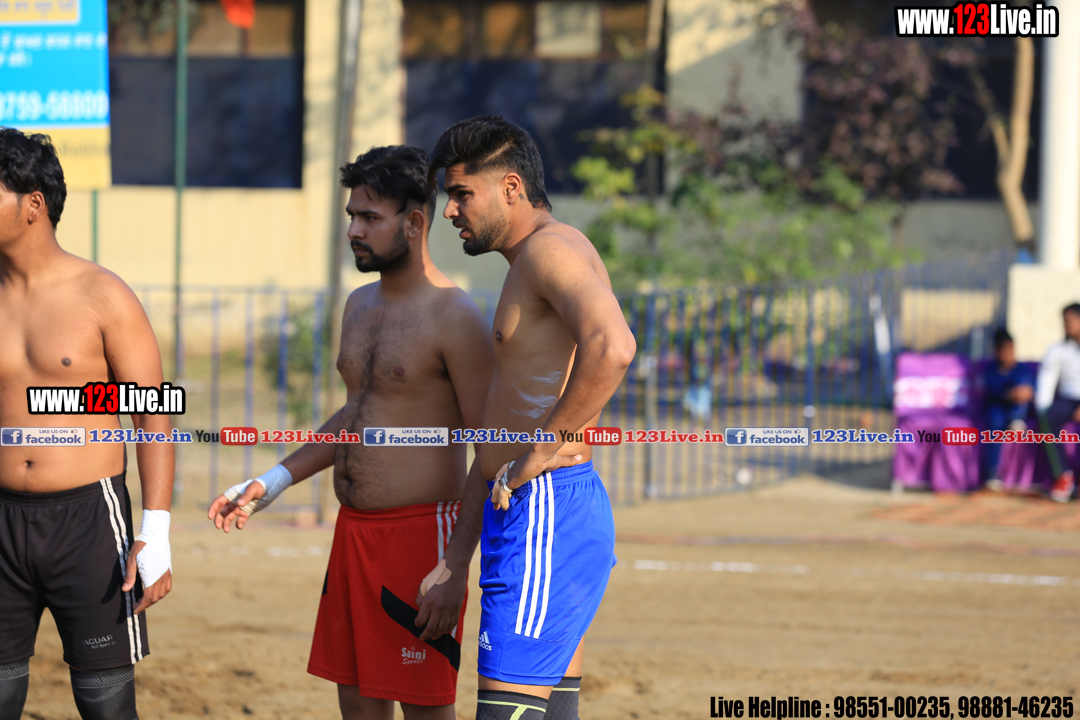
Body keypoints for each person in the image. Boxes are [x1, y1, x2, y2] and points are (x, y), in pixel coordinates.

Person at [208, 145, 494, 720]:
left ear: (414, 223)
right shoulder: (359, 304)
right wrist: (274, 480)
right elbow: (359, 415)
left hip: (422, 542)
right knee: (358, 710)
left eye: (369, 217)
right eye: (351, 216)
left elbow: (490, 451)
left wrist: (456, 565)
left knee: (426, 711)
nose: (354, 231)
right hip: (353, 534)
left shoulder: (455, 317)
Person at [421, 116, 637, 720]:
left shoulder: (549, 251)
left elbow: (614, 346)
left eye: (461, 194)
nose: (449, 211)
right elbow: (498, 429)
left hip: (545, 509)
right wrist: (456, 559)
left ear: (511, 188)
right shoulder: (536, 259)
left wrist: (538, 453)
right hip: (538, 511)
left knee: (505, 713)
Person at [0, 128, 174, 720]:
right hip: (1, 517)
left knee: (104, 703)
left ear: (33, 203)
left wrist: (157, 529)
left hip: (88, 522)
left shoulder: (103, 295)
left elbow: (152, 411)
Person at [1036, 303, 1080, 502]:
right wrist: (1042, 408)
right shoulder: (1057, 350)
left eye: (1070, 320)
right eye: (1064, 320)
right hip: (1067, 400)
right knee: (1048, 416)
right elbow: (1047, 379)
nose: (1066, 324)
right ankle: (1063, 476)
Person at [981, 328, 1034, 490]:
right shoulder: (991, 370)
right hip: (997, 407)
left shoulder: (1022, 369)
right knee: (995, 422)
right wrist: (1009, 394)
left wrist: (1025, 393)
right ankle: (992, 472)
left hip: (1020, 407)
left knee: (1022, 385)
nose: (1008, 354)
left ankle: (1016, 419)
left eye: (1011, 349)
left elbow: (1031, 390)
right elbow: (991, 391)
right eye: (1004, 350)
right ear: (996, 351)